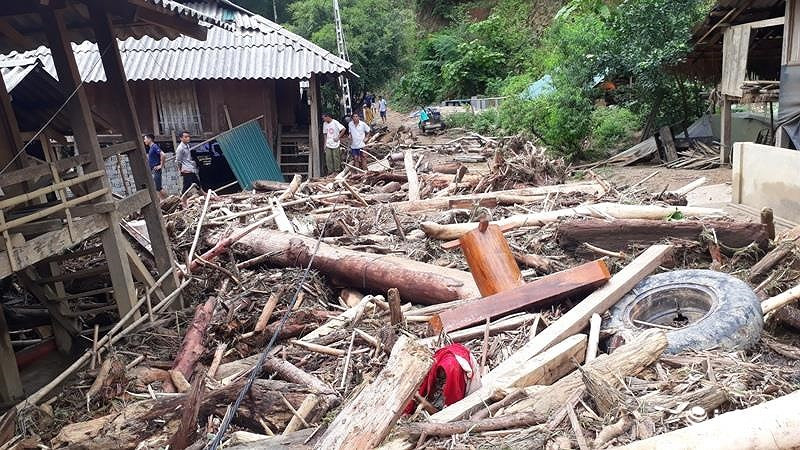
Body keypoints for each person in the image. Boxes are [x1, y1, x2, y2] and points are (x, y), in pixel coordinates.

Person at [175, 131, 201, 207]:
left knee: (197, 183)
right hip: (186, 169)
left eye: (188, 136)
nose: (188, 138)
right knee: (186, 187)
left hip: (190, 168)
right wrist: (180, 170)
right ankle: (184, 202)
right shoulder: (180, 148)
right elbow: (178, 161)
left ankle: (205, 195)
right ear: (181, 138)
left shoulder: (187, 146)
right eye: (185, 137)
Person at [144, 134, 166, 201]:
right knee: (157, 188)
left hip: (156, 169)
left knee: (158, 188)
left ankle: (169, 200)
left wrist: (161, 165)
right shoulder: (151, 148)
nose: (144, 141)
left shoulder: (154, 146)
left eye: (145, 139)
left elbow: (163, 155)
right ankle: (163, 202)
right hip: (153, 170)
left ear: (150, 139)